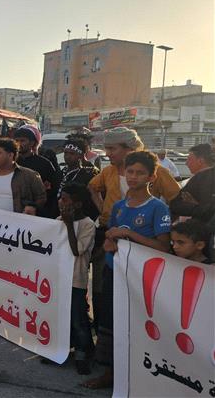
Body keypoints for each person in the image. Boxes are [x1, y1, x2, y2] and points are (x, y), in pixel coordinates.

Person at [85, 151, 172, 390]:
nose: (133, 177)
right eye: (130, 172)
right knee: (111, 323)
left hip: (141, 279)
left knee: (135, 326)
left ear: (151, 177)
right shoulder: (119, 206)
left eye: (140, 173)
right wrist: (109, 243)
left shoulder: (158, 208)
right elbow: (111, 236)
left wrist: (128, 234)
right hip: (114, 272)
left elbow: (163, 247)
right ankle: (110, 373)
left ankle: (134, 376)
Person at [56, 182, 96, 375]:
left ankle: (83, 353)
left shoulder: (88, 224)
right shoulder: (58, 220)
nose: (60, 202)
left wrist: (69, 225)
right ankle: (63, 349)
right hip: (59, 277)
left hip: (76, 280)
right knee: (62, 316)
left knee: (78, 318)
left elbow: (76, 250)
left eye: (65, 199)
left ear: (77, 204)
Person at [0, 139, 46, 213]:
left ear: (10, 155)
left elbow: (41, 197)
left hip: (16, 219)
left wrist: (33, 207)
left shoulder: (29, 175)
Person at [14, 125, 60, 218]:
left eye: (22, 141)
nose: (19, 144)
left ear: (32, 143)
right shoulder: (11, 162)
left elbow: (52, 190)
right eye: (17, 141)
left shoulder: (44, 164)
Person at [59, 138, 100, 221]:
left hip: (79, 219)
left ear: (81, 155)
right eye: (65, 153)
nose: (67, 156)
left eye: (72, 153)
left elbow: (92, 201)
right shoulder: (60, 172)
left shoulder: (88, 175)